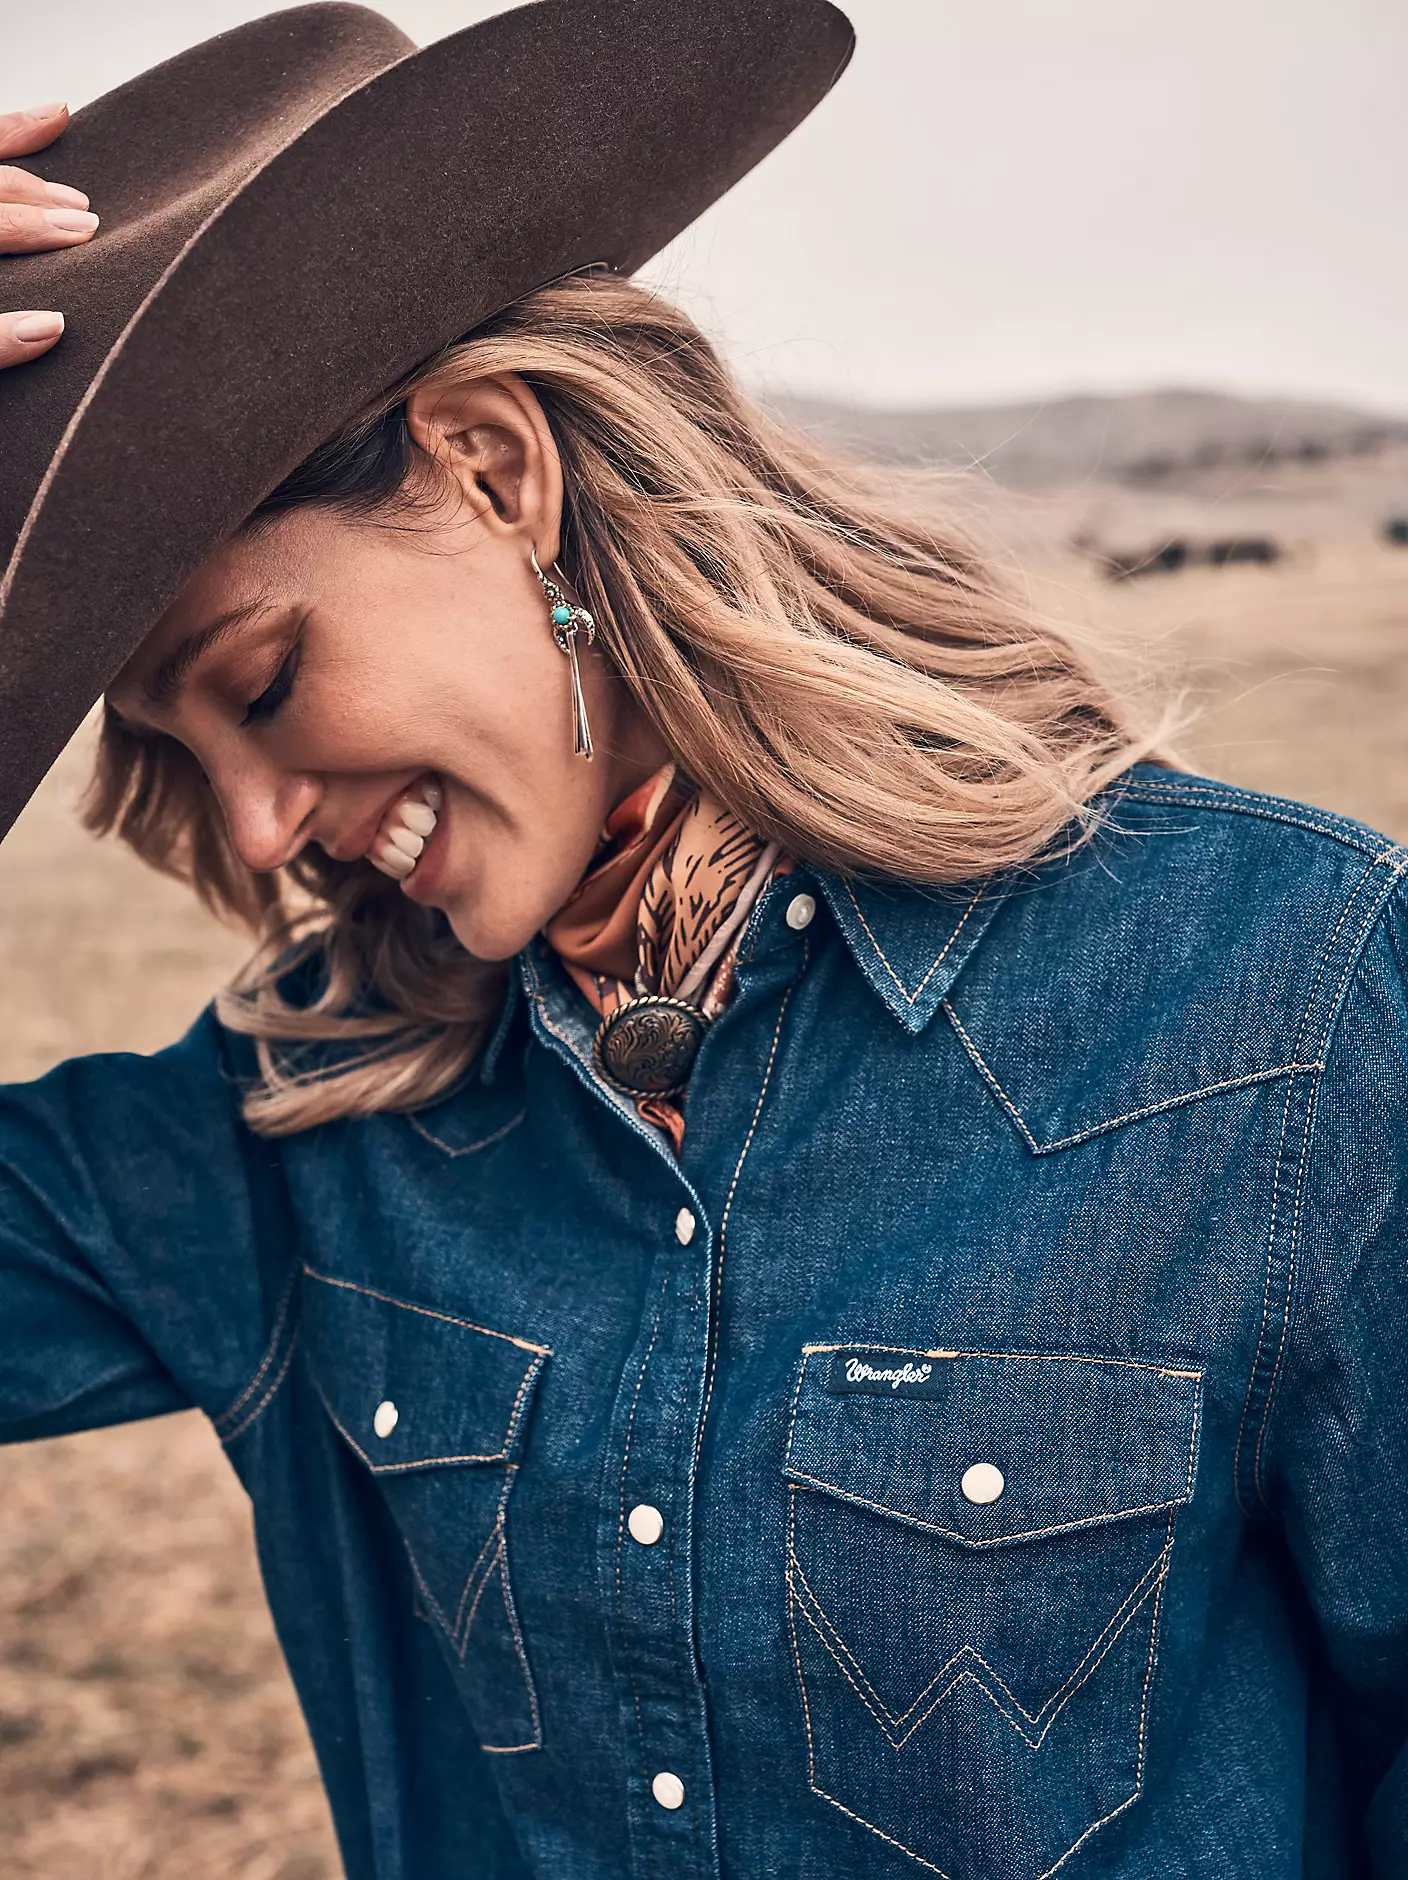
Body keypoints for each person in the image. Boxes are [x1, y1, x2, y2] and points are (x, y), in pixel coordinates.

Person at [2, 6, 1407, 1877]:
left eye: (262, 684)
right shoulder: (304, 1123)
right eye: (187, 751)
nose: (254, 827)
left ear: (496, 474)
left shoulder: (1279, 999)